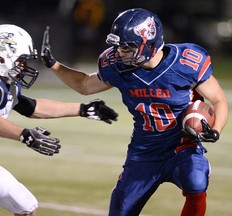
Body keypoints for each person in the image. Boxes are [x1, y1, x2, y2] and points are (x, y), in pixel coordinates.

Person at [41, 8, 229, 216]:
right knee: (120, 211)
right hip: (144, 151)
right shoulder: (117, 67)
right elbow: (84, 85)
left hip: (182, 146)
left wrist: (216, 129)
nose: (120, 52)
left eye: (128, 47)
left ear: (149, 43)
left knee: (196, 180)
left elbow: (218, 99)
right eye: (119, 46)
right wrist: (54, 64)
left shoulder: (186, 62)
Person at [0, 24, 118, 216]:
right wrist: (24, 135)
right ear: (1, 56)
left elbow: (32, 107)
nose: (25, 66)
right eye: (21, 60)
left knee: (25, 205)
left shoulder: (5, 82)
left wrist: (82, 109)